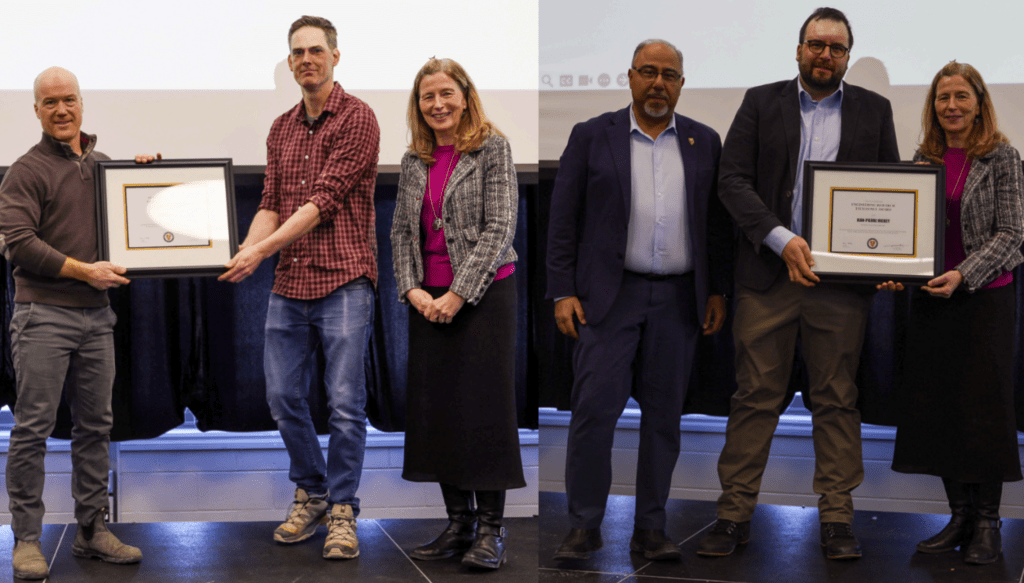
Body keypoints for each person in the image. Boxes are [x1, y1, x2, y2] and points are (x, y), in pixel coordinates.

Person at [697, 7, 899, 560]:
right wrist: (780, 239)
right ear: (798, 49)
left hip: (838, 285)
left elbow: (888, 192)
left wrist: (889, 259)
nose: (825, 55)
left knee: (837, 399)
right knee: (755, 398)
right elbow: (732, 181)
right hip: (768, 277)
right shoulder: (762, 102)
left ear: (847, 56)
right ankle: (733, 515)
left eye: (836, 47)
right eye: (816, 44)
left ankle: (836, 518)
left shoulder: (874, 110)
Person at [546, 39, 734, 561]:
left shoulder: (704, 141)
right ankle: (584, 525)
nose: (658, 83)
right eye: (648, 73)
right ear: (629, 77)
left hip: (679, 300)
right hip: (608, 299)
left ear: (681, 84)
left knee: (664, 421)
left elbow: (716, 228)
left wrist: (717, 288)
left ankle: (651, 528)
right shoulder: (592, 136)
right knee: (592, 416)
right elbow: (562, 220)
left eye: (669, 75)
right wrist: (561, 289)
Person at [217, 15, 379, 560]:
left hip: (344, 281)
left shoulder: (359, 119)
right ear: (289, 63)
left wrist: (261, 251)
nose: (307, 59)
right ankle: (311, 490)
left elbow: (321, 202)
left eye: (316, 50)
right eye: (297, 52)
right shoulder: (280, 128)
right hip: (291, 283)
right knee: (283, 397)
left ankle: (343, 511)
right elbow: (272, 202)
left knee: (343, 404)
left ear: (336, 57)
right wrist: (247, 246)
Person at [0, 67, 142, 580]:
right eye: (50, 102)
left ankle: (91, 530)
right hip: (42, 316)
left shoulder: (103, 166)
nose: (61, 110)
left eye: (69, 100)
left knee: (96, 428)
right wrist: (84, 271)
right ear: (36, 111)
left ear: (82, 104)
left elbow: (131, 220)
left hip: (96, 318)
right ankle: (28, 540)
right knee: (33, 429)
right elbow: (18, 242)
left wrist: (141, 178)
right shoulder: (25, 170)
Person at [883, 62, 1024, 565]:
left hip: (984, 299)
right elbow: (910, 233)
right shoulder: (924, 159)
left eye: (962, 97)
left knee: (983, 411)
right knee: (940, 408)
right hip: (931, 301)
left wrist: (964, 274)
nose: (952, 106)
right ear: (933, 106)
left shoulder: (1003, 156)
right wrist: (892, 264)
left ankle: (988, 522)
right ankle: (958, 516)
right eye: (943, 98)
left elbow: (1012, 234)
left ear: (980, 102)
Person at [390, 57, 525, 570]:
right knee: (439, 412)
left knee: (483, 412)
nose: (438, 104)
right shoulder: (412, 160)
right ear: (418, 105)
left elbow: (500, 228)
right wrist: (412, 288)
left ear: (465, 95)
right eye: (428, 97)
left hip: (485, 297)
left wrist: (458, 294)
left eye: (446, 93)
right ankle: (458, 524)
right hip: (429, 299)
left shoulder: (493, 147)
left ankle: (491, 530)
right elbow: (402, 231)